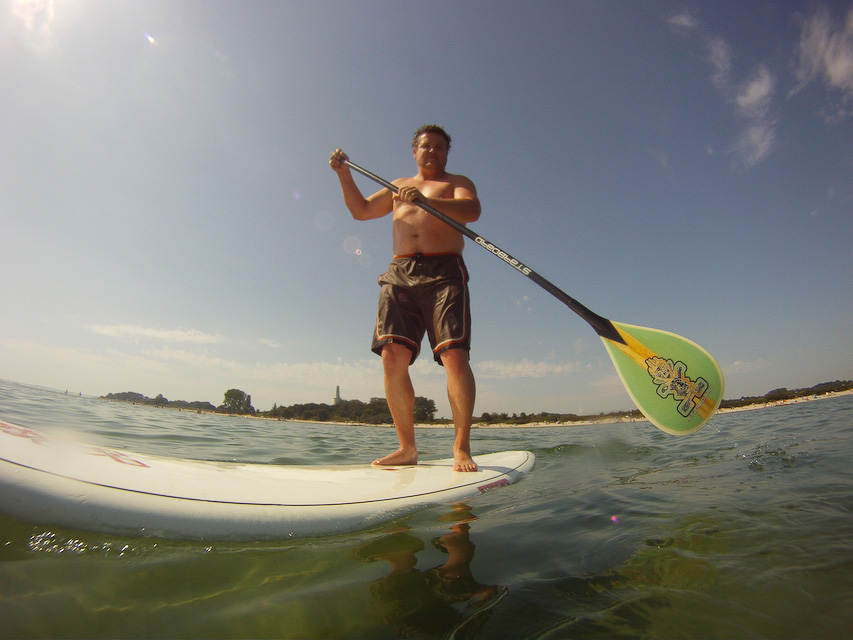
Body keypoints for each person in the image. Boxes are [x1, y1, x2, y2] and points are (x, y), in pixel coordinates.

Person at [330, 124, 481, 472]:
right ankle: (407, 447)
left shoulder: (457, 183)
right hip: (400, 272)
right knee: (391, 356)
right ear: (414, 151)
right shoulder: (396, 186)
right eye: (426, 146)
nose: (432, 151)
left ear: (446, 153)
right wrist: (343, 175)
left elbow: (471, 211)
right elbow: (362, 211)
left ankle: (461, 448)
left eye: (440, 147)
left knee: (454, 356)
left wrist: (425, 201)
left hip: (445, 272)